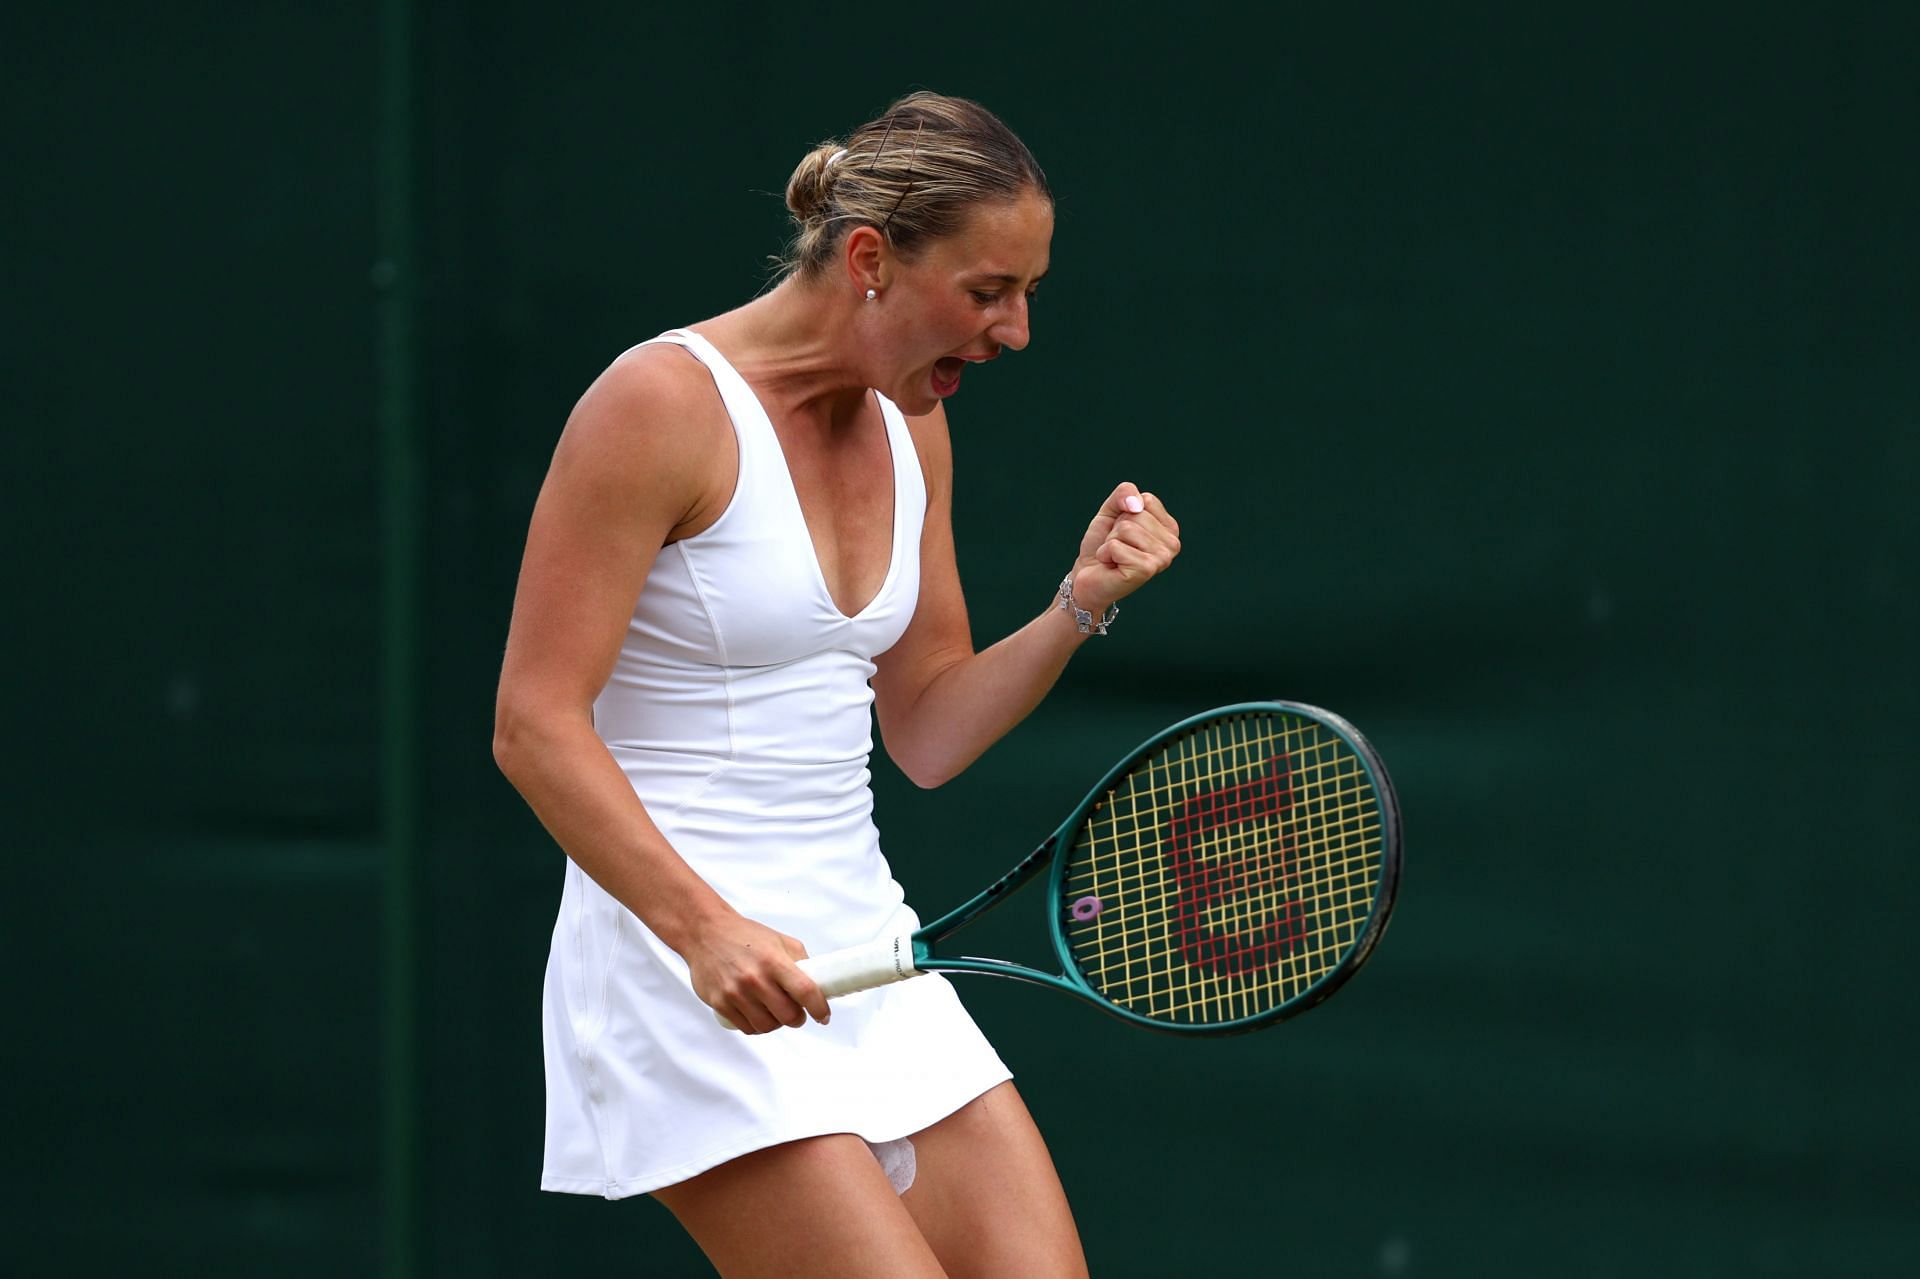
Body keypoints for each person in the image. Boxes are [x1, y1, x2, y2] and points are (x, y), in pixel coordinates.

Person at [493, 91, 1181, 1278]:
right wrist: (704, 930)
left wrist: (1080, 606)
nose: (1013, 332)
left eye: (1028, 293)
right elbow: (534, 727)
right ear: (869, 258)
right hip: (682, 974)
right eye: (986, 292)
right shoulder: (657, 406)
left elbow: (922, 727)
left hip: (871, 950)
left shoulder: (915, 425)